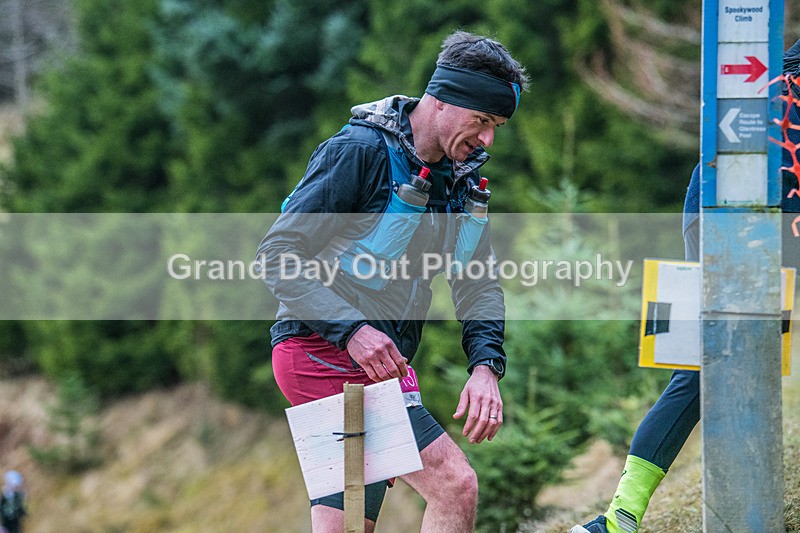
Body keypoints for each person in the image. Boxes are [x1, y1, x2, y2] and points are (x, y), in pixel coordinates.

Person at [257, 31, 528, 532]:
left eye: (498, 126)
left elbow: (477, 281)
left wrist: (486, 366)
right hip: (321, 352)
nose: (489, 138)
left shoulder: (460, 179)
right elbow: (277, 256)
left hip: (379, 365)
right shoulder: (357, 152)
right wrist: (353, 331)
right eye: (483, 121)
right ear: (443, 101)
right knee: (454, 485)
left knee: (349, 523)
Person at [571, 39, 800, 533]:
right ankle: (620, 518)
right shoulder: (784, 85)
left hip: (721, 205)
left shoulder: (774, 73)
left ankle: (619, 518)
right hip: (743, 214)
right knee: (706, 364)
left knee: (703, 365)